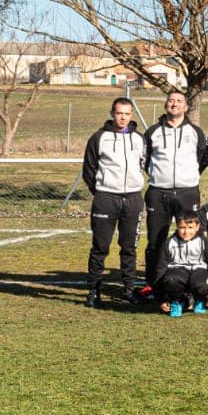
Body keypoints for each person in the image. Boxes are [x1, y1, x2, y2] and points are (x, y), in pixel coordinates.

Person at [83, 96, 147, 307]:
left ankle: (129, 289)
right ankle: (93, 290)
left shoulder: (139, 139)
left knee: (129, 247)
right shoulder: (99, 137)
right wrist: (102, 191)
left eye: (127, 114)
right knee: (100, 247)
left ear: (131, 115)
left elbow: (145, 164)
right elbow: (89, 170)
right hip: (106, 198)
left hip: (133, 198)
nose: (123, 117)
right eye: (119, 113)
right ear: (112, 113)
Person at [142, 88, 208, 288]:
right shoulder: (153, 132)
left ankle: (191, 283)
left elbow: (203, 158)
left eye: (179, 101)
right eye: (171, 101)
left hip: (187, 192)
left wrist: (188, 175)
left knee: (192, 238)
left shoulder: (195, 132)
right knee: (155, 240)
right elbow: (144, 159)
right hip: (158, 192)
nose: (174, 104)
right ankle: (153, 285)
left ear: (186, 107)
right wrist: (158, 175)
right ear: (165, 104)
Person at [154, 210, 208, 317]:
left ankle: (200, 300)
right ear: (177, 226)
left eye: (190, 227)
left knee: (203, 285)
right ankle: (176, 302)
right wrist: (161, 299)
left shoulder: (204, 242)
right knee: (171, 281)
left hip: (199, 271)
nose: (186, 232)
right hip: (177, 271)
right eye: (182, 228)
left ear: (197, 226)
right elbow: (160, 270)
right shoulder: (168, 243)